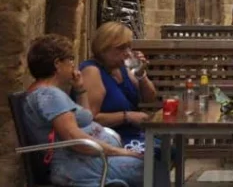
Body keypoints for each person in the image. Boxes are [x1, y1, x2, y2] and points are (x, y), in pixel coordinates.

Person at [22, 34, 144, 186]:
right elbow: (74, 138)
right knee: (149, 166)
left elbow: (87, 117)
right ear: (57, 64)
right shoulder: (49, 95)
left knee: (150, 162)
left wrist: (80, 89)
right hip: (79, 166)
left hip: (89, 159)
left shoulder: (51, 92)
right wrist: (120, 152)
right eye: (70, 59)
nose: (74, 64)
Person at [79, 21, 157, 147]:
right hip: (112, 141)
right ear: (103, 48)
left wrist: (141, 74)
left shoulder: (121, 68)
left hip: (135, 135)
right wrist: (127, 116)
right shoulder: (92, 71)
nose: (127, 53)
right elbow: (90, 119)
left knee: (171, 150)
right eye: (121, 48)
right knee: (160, 155)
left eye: (129, 47)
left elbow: (150, 98)